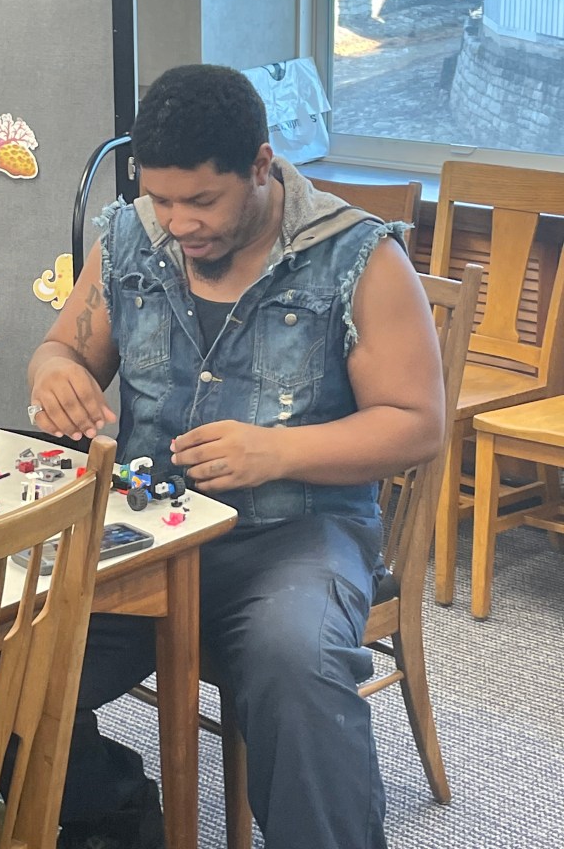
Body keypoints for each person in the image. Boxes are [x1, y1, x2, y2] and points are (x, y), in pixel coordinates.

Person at [27, 64, 445, 849]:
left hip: (294, 535)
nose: (178, 224)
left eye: (202, 201)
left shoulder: (356, 257)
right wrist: (54, 373)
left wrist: (277, 451)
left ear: (260, 165)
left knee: (298, 666)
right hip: (145, 531)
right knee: (1, 655)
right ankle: (114, 814)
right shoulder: (129, 238)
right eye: (161, 199)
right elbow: (63, 349)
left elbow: (418, 427)